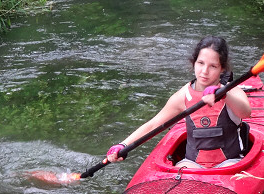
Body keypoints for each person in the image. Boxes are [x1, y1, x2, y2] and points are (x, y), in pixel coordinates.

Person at [105, 36, 252, 169]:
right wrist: (123, 145)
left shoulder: (232, 91)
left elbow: (246, 112)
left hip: (230, 164)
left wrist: (223, 94)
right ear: (193, 63)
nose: (204, 71)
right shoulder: (183, 96)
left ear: (222, 69)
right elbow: (154, 124)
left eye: (213, 66)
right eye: (200, 63)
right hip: (192, 164)